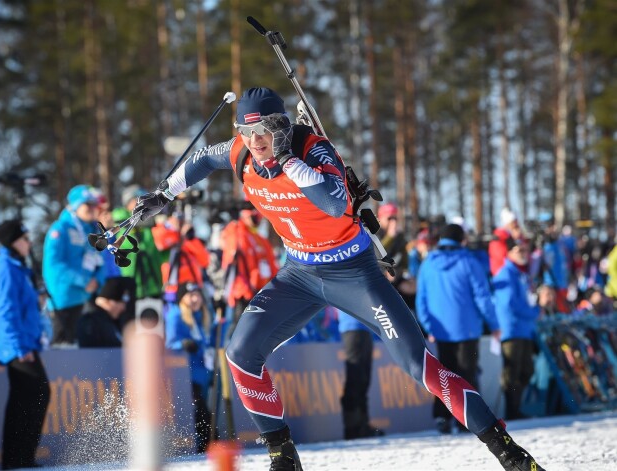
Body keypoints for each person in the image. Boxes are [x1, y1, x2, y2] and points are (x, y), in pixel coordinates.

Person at [131, 87, 545, 470]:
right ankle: (283, 455)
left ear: (282, 128)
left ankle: (506, 450)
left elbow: (332, 202)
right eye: (246, 131)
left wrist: (288, 161)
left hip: (353, 274)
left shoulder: (314, 149)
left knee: (420, 367)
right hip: (299, 275)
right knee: (240, 352)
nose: (255, 142)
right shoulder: (241, 151)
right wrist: (164, 193)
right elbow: (203, 158)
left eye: (265, 131)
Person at [415, 223, 501, 435]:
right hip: (468, 329)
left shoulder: (428, 264)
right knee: (467, 375)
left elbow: (421, 300)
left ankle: (442, 417)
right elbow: (482, 297)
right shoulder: (469, 262)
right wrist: (494, 324)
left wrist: (428, 327)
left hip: (440, 330)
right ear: (461, 239)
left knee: (444, 375)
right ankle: (470, 419)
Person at [0, 219, 50, 469]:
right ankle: (17, 459)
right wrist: (20, 347)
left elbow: (20, 305)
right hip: (17, 346)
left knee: (27, 397)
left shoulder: (17, 267)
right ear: (14, 242)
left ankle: (20, 458)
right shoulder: (5, 268)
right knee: (34, 395)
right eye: (25, 238)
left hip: (25, 343)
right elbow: (5, 311)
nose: (29, 242)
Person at [43, 185, 107, 346]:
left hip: (87, 298)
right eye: (88, 204)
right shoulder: (60, 229)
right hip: (64, 301)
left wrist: (97, 281)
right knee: (64, 351)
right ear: (76, 206)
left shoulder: (93, 231)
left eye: (94, 204)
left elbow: (102, 260)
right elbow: (54, 265)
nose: (93, 208)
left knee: (85, 348)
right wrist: (85, 281)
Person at [492, 239, 543, 420]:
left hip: (524, 329)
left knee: (526, 370)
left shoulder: (521, 274)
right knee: (511, 373)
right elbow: (509, 305)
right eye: (518, 249)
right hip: (511, 330)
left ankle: (516, 408)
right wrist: (534, 312)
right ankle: (512, 411)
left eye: (525, 249)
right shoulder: (506, 274)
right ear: (509, 253)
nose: (523, 253)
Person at [164, 282, 216, 453]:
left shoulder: (203, 315)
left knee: (205, 407)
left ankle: (209, 440)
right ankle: (208, 442)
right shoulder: (176, 315)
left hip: (204, 372)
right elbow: (170, 344)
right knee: (199, 409)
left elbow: (212, 339)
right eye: (190, 295)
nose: (195, 299)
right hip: (187, 374)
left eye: (197, 294)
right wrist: (183, 344)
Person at [219, 205, 279, 340]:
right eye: (254, 216)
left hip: (262, 292)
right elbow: (232, 260)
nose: (258, 219)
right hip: (244, 293)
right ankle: (228, 357)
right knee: (240, 328)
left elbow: (272, 267)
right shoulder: (238, 233)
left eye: (259, 216)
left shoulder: (261, 240)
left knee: (260, 331)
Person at [337, 311, 384, 440]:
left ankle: (362, 425)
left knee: (363, 380)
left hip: (364, 327)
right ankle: (352, 427)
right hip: (352, 327)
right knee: (355, 378)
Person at [77, 276, 131, 348]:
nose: (123, 308)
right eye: (120, 303)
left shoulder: (113, 321)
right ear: (108, 302)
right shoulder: (91, 323)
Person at [489, 207, 523, 276]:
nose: (516, 225)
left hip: (513, 274)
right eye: (513, 223)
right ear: (507, 224)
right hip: (503, 276)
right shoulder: (498, 238)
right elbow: (503, 258)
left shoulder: (512, 237)